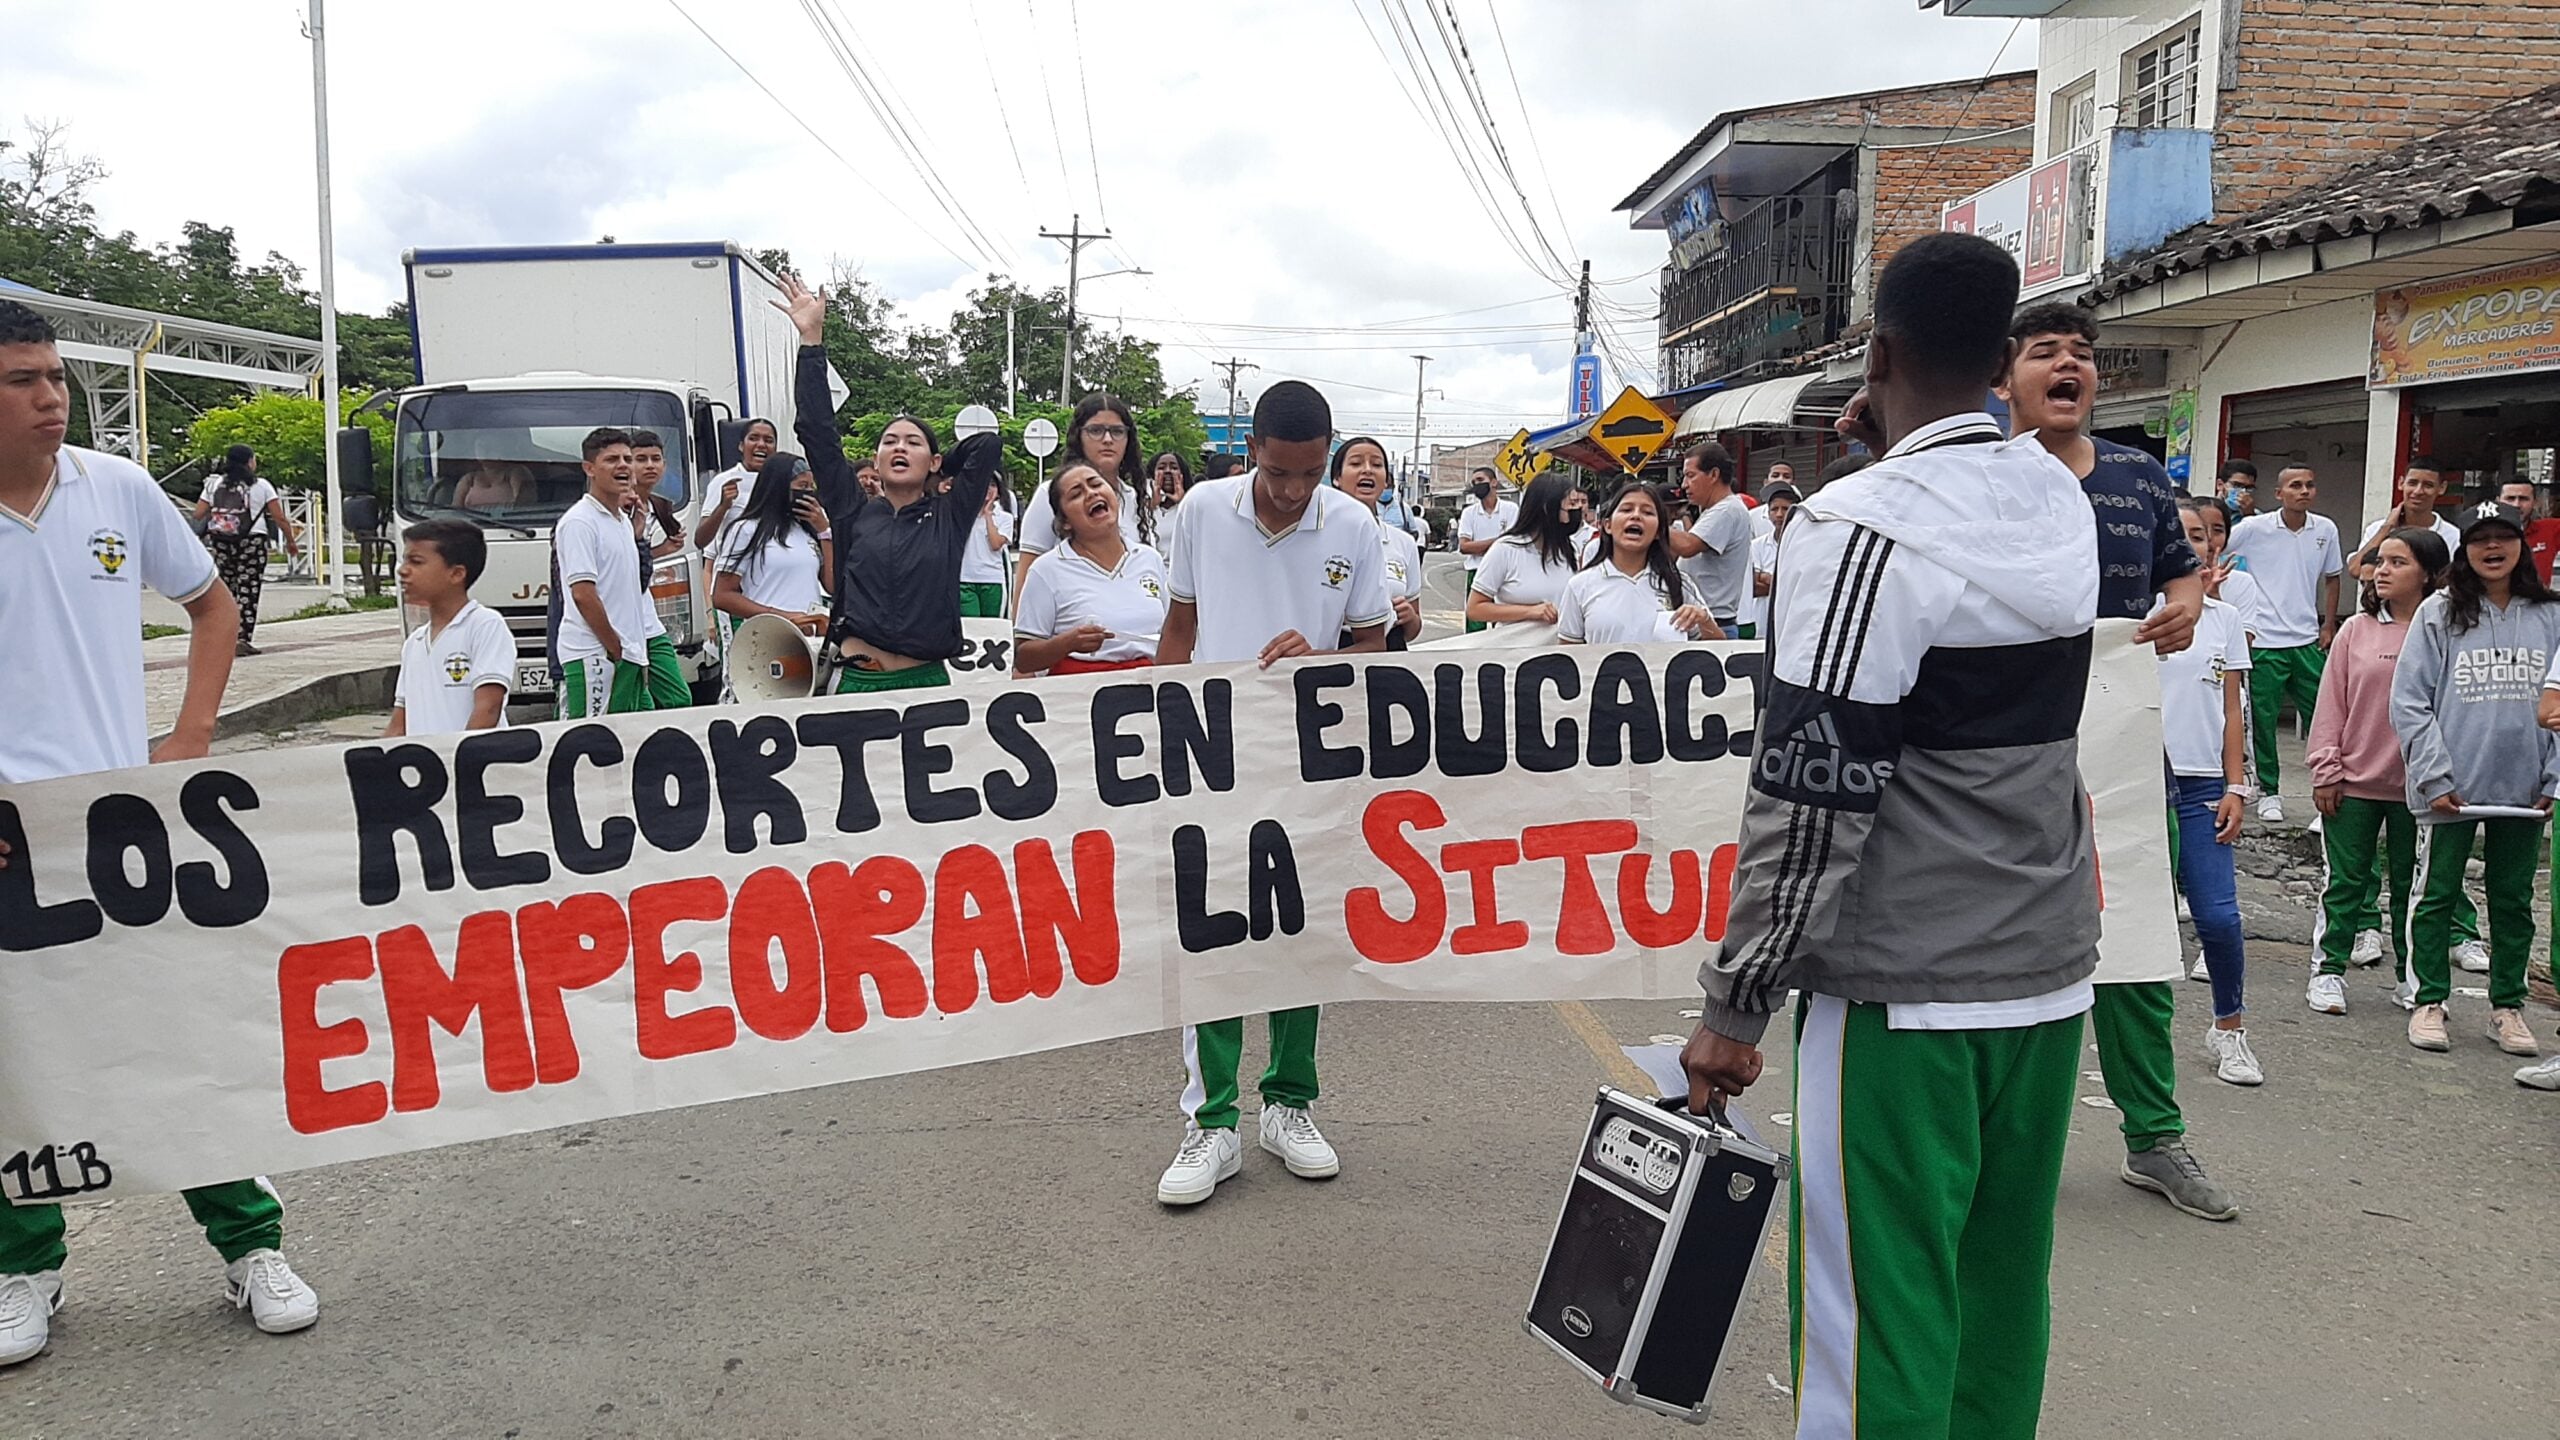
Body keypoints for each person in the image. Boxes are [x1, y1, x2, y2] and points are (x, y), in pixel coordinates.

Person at [1683, 233, 2095, 1439]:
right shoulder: (2055, 494)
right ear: (2000, 357)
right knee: (1996, 1300)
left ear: (1878, 353)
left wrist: (1735, 1006)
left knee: (1876, 1322)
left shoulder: (1855, 528)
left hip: (1907, 995)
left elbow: (1813, 799)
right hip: (2045, 977)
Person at [0, 298, 320, 1365]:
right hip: (7, 836)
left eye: (54, 376)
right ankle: (24, 1268)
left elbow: (213, 603)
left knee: (168, 1044)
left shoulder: (118, 489)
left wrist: (188, 735)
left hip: (115, 826)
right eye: (23, 382)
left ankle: (251, 1246)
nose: (52, 399)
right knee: (18, 1069)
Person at [2000, 303, 2227, 1217]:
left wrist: (2186, 607)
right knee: (2001, 943)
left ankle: (2155, 1137)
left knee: (2130, 928)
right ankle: (2001, 1147)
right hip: (1998, 737)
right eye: (2046, 352)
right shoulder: (1972, 473)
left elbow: (2179, 569)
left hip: (2120, 737)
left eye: (2083, 355)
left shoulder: (2136, 472)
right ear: (2004, 375)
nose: (2069, 366)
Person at [1153, 380, 1388, 1207]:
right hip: (1212, 755)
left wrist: (1321, 660)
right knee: (1213, 933)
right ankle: (1211, 1123)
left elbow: (1371, 646)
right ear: (1252, 447)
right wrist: (1157, 735)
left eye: (1310, 474)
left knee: (1301, 929)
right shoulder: (1202, 513)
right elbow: (1178, 628)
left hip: (1310, 761)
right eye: (1280, 472)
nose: (1293, 491)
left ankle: (1289, 1105)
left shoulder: (1354, 525)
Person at [2392, 501, 2560, 1059]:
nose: (2493, 548)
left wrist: (2554, 778)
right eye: (2479, 538)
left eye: (2504, 537)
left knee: (2512, 901)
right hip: (2451, 791)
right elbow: (2411, 701)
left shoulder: (2550, 614)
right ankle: (2428, 999)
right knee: (2436, 895)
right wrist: (2434, 775)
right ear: (2463, 550)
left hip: (2526, 789)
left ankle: (2507, 1007)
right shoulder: (2438, 612)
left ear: (2522, 545)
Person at [778, 274, 999, 693]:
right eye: (890, 442)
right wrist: (812, 342)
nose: (900, 448)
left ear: (932, 460)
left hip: (927, 682)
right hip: (858, 681)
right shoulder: (850, 509)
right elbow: (816, 431)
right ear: (876, 462)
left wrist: (939, 469)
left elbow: (986, 446)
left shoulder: (949, 517)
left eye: (913, 443)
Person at [2308, 526, 2477, 1014]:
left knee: (2415, 890)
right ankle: (2328, 972)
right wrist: (2325, 768)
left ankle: (2413, 981)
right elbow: (2330, 705)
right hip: (2354, 783)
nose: (2381, 571)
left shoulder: (2451, 630)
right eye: (2380, 562)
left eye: (2397, 563)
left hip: (2422, 788)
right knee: (2345, 882)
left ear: (2429, 574)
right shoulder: (2357, 632)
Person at [2159, 501, 2260, 1085]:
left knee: (2218, 918)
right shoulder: (2125, 613)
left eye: (2201, 534)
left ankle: (2230, 1029)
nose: (2193, 543)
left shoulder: (2221, 619)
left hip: (2202, 785)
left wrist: (2237, 785)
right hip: (2136, 779)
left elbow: (2231, 708)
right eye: (2180, 534)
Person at [2227, 464, 2344, 822]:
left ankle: (2327, 788)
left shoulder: (2325, 529)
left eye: (2310, 485)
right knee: (2263, 720)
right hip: (2264, 641)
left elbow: (2333, 577)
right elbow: (2215, 547)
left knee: (2325, 718)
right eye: (2295, 486)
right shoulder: (2253, 528)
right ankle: (2269, 791)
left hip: (2307, 639)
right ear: (2279, 494)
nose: (2304, 491)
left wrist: (2328, 624)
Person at [554, 427, 669, 716]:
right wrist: (614, 649)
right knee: (590, 742)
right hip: (595, 655)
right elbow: (583, 594)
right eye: (612, 459)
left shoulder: (621, 521)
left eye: (628, 459)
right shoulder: (580, 522)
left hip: (630, 654)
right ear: (589, 468)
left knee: (634, 738)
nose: (623, 466)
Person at [1012, 462, 1168, 676]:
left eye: (1096, 484)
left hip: (1149, 691)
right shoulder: (1046, 570)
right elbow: (1024, 658)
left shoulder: (1150, 559)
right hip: (1079, 698)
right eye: (1076, 494)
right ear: (1065, 521)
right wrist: (1066, 643)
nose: (1091, 494)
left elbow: (1172, 635)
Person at [710, 453, 833, 697]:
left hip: (809, 642)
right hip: (767, 640)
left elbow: (830, 584)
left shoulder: (807, 532)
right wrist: (784, 617)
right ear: (778, 487)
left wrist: (825, 532)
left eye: (811, 487)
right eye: (801, 487)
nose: (809, 493)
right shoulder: (747, 530)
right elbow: (722, 595)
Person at [385, 519, 512, 736]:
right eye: (404, 561)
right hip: (424, 767)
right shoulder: (414, 643)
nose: (403, 571)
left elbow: (488, 709)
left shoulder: (484, 625)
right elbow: (400, 724)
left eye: (416, 562)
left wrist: (456, 760)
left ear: (456, 574)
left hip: (465, 765)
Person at [1016, 394, 1152, 595]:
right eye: (1096, 431)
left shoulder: (1137, 498)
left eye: (1117, 431)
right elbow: (1025, 585)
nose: (1107, 440)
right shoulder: (1050, 495)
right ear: (1079, 436)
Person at [1556, 481, 1716, 645]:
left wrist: (1703, 619)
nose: (1636, 516)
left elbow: (1719, 647)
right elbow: (1568, 655)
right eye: (1626, 510)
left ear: (1659, 532)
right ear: (1607, 525)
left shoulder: (1679, 584)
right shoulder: (1580, 586)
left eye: (1647, 512)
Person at [193, 444, 300, 656]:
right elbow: (279, 517)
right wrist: (290, 541)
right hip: (252, 541)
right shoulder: (261, 485)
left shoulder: (214, 484)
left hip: (222, 541)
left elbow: (199, 513)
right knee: (248, 591)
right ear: (249, 461)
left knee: (226, 590)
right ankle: (241, 639)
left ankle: (224, 638)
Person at [1331, 436, 1424, 647]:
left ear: (1385, 480)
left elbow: (1413, 631)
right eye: (1355, 463)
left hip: (1391, 656)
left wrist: (1409, 618)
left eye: (1377, 465)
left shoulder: (1404, 543)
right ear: (1337, 477)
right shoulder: (1319, 537)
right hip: (1336, 652)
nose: (1367, 470)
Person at [1466, 473, 1581, 631]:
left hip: (1560, 650)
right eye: (1572, 504)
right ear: (1548, 507)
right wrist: (1531, 612)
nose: (1577, 511)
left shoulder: (1570, 549)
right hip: (1517, 651)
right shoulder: (1506, 549)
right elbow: (1475, 609)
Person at [1667, 440, 1754, 637]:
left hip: (1713, 623)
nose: (1684, 485)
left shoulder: (1727, 510)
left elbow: (1688, 546)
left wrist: (1649, 523)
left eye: (1691, 476)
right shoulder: (1714, 510)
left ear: (1714, 475)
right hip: (1698, 621)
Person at [2347, 457, 2463, 577]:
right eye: (2412, 483)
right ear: (2401, 483)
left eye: (2428, 485)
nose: (2418, 491)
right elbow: (2355, 570)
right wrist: (2387, 528)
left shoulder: (2452, 535)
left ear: (2442, 488)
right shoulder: (2377, 529)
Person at [695, 417, 777, 548]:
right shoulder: (724, 481)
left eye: (768, 440)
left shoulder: (783, 483)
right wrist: (723, 507)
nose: (761, 445)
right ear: (741, 446)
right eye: (753, 438)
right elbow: (700, 540)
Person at [1455, 468, 1516, 632]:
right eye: (1474, 482)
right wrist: (1497, 542)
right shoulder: (1469, 513)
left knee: (1503, 622)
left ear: (1494, 482)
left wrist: (1480, 546)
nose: (1477, 485)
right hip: (1477, 570)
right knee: (1475, 620)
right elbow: (1464, 546)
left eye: (1480, 480)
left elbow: (1513, 542)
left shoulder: (1511, 510)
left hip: (1504, 573)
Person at [1737, 483, 1799, 636]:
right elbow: (1754, 586)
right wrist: (1784, 582)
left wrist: (1767, 578)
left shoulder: (1803, 544)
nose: (1779, 514)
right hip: (1762, 622)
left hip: (1792, 621)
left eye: (1785, 509)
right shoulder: (1757, 545)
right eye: (1774, 509)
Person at [629, 429, 685, 561]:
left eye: (655, 459)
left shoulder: (661, 506)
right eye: (641, 459)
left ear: (664, 465)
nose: (650, 466)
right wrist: (660, 551)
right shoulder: (618, 507)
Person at [958, 483, 1012, 617]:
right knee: (970, 628)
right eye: (984, 483)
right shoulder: (963, 514)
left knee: (992, 628)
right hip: (965, 579)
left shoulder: (1005, 517)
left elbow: (995, 544)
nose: (987, 489)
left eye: (992, 485)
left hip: (992, 579)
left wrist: (988, 515)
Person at [2499, 479, 2560, 583]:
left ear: (2535, 502)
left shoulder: (2551, 529)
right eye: (2510, 498)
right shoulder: (2483, 535)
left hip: (2540, 597)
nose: (2516, 505)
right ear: (2497, 501)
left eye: (2523, 499)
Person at [451, 457, 534, 511]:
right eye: (480, 446)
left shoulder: (516, 473)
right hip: (471, 528)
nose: (485, 451)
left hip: (509, 526)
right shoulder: (469, 479)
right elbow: (456, 511)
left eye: (490, 445)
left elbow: (524, 507)